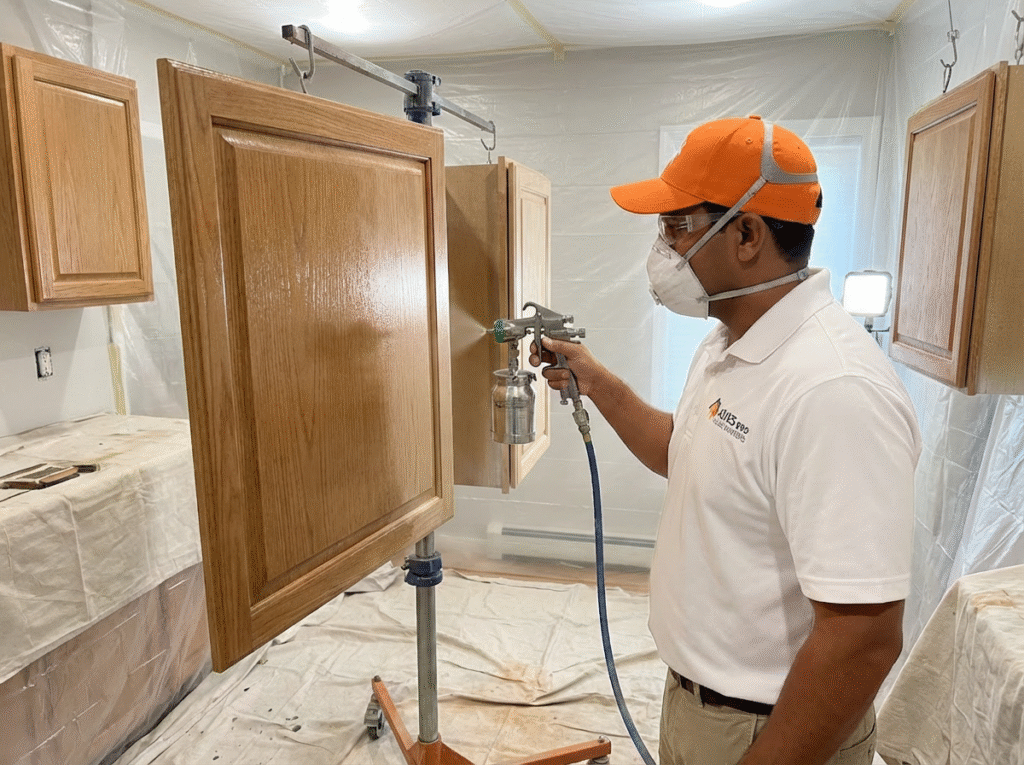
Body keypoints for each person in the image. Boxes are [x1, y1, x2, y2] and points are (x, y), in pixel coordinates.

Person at [531, 116, 921, 765]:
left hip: (771, 729)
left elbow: (863, 636)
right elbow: (686, 452)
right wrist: (600, 384)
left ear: (745, 234)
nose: (662, 247)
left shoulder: (832, 388)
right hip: (701, 706)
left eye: (677, 224)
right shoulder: (727, 343)